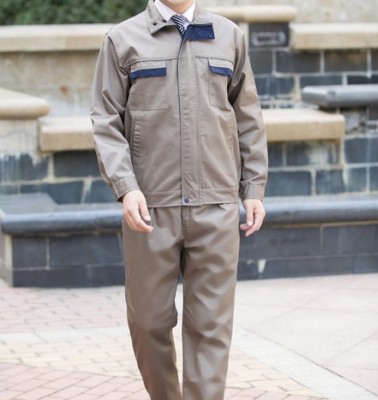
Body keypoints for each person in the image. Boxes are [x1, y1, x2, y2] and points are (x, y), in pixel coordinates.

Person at [90, 0, 268, 398]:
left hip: (216, 204)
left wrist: (253, 187)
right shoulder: (122, 39)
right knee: (148, 321)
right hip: (151, 207)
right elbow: (105, 120)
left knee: (211, 327)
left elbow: (248, 116)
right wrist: (126, 186)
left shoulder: (228, 36)